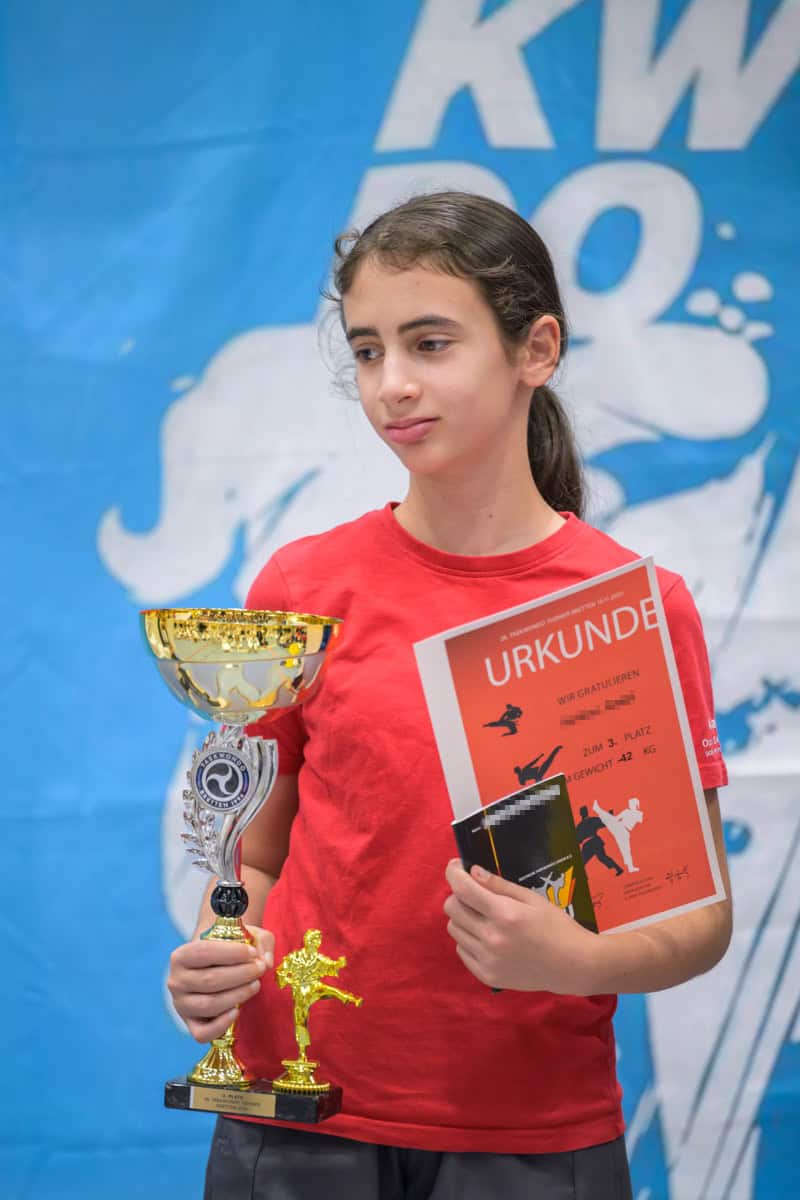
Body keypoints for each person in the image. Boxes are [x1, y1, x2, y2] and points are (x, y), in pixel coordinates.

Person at [166, 191, 732, 1200]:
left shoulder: (631, 610)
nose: (391, 384)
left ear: (536, 349)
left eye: (429, 344)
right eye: (368, 350)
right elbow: (252, 856)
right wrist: (223, 943)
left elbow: (696, 920)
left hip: (529, 1132)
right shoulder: (303, 589)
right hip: (298, 1118)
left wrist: (575, 961)